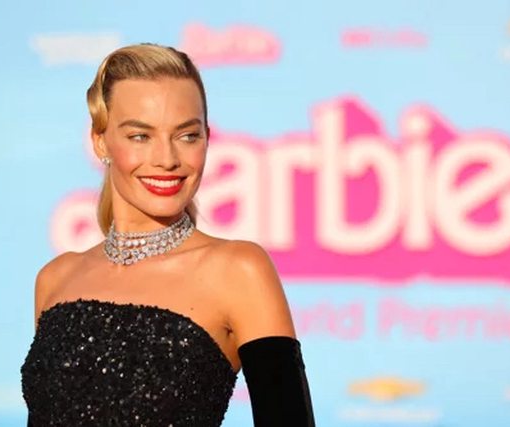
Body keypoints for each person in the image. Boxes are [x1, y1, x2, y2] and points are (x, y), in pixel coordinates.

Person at [20, 43, 315, 426]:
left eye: (187, 136)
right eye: (140, 136)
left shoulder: (240, 271)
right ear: (100, 140)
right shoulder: (55, 280)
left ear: (207, 138)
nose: (167, 159)